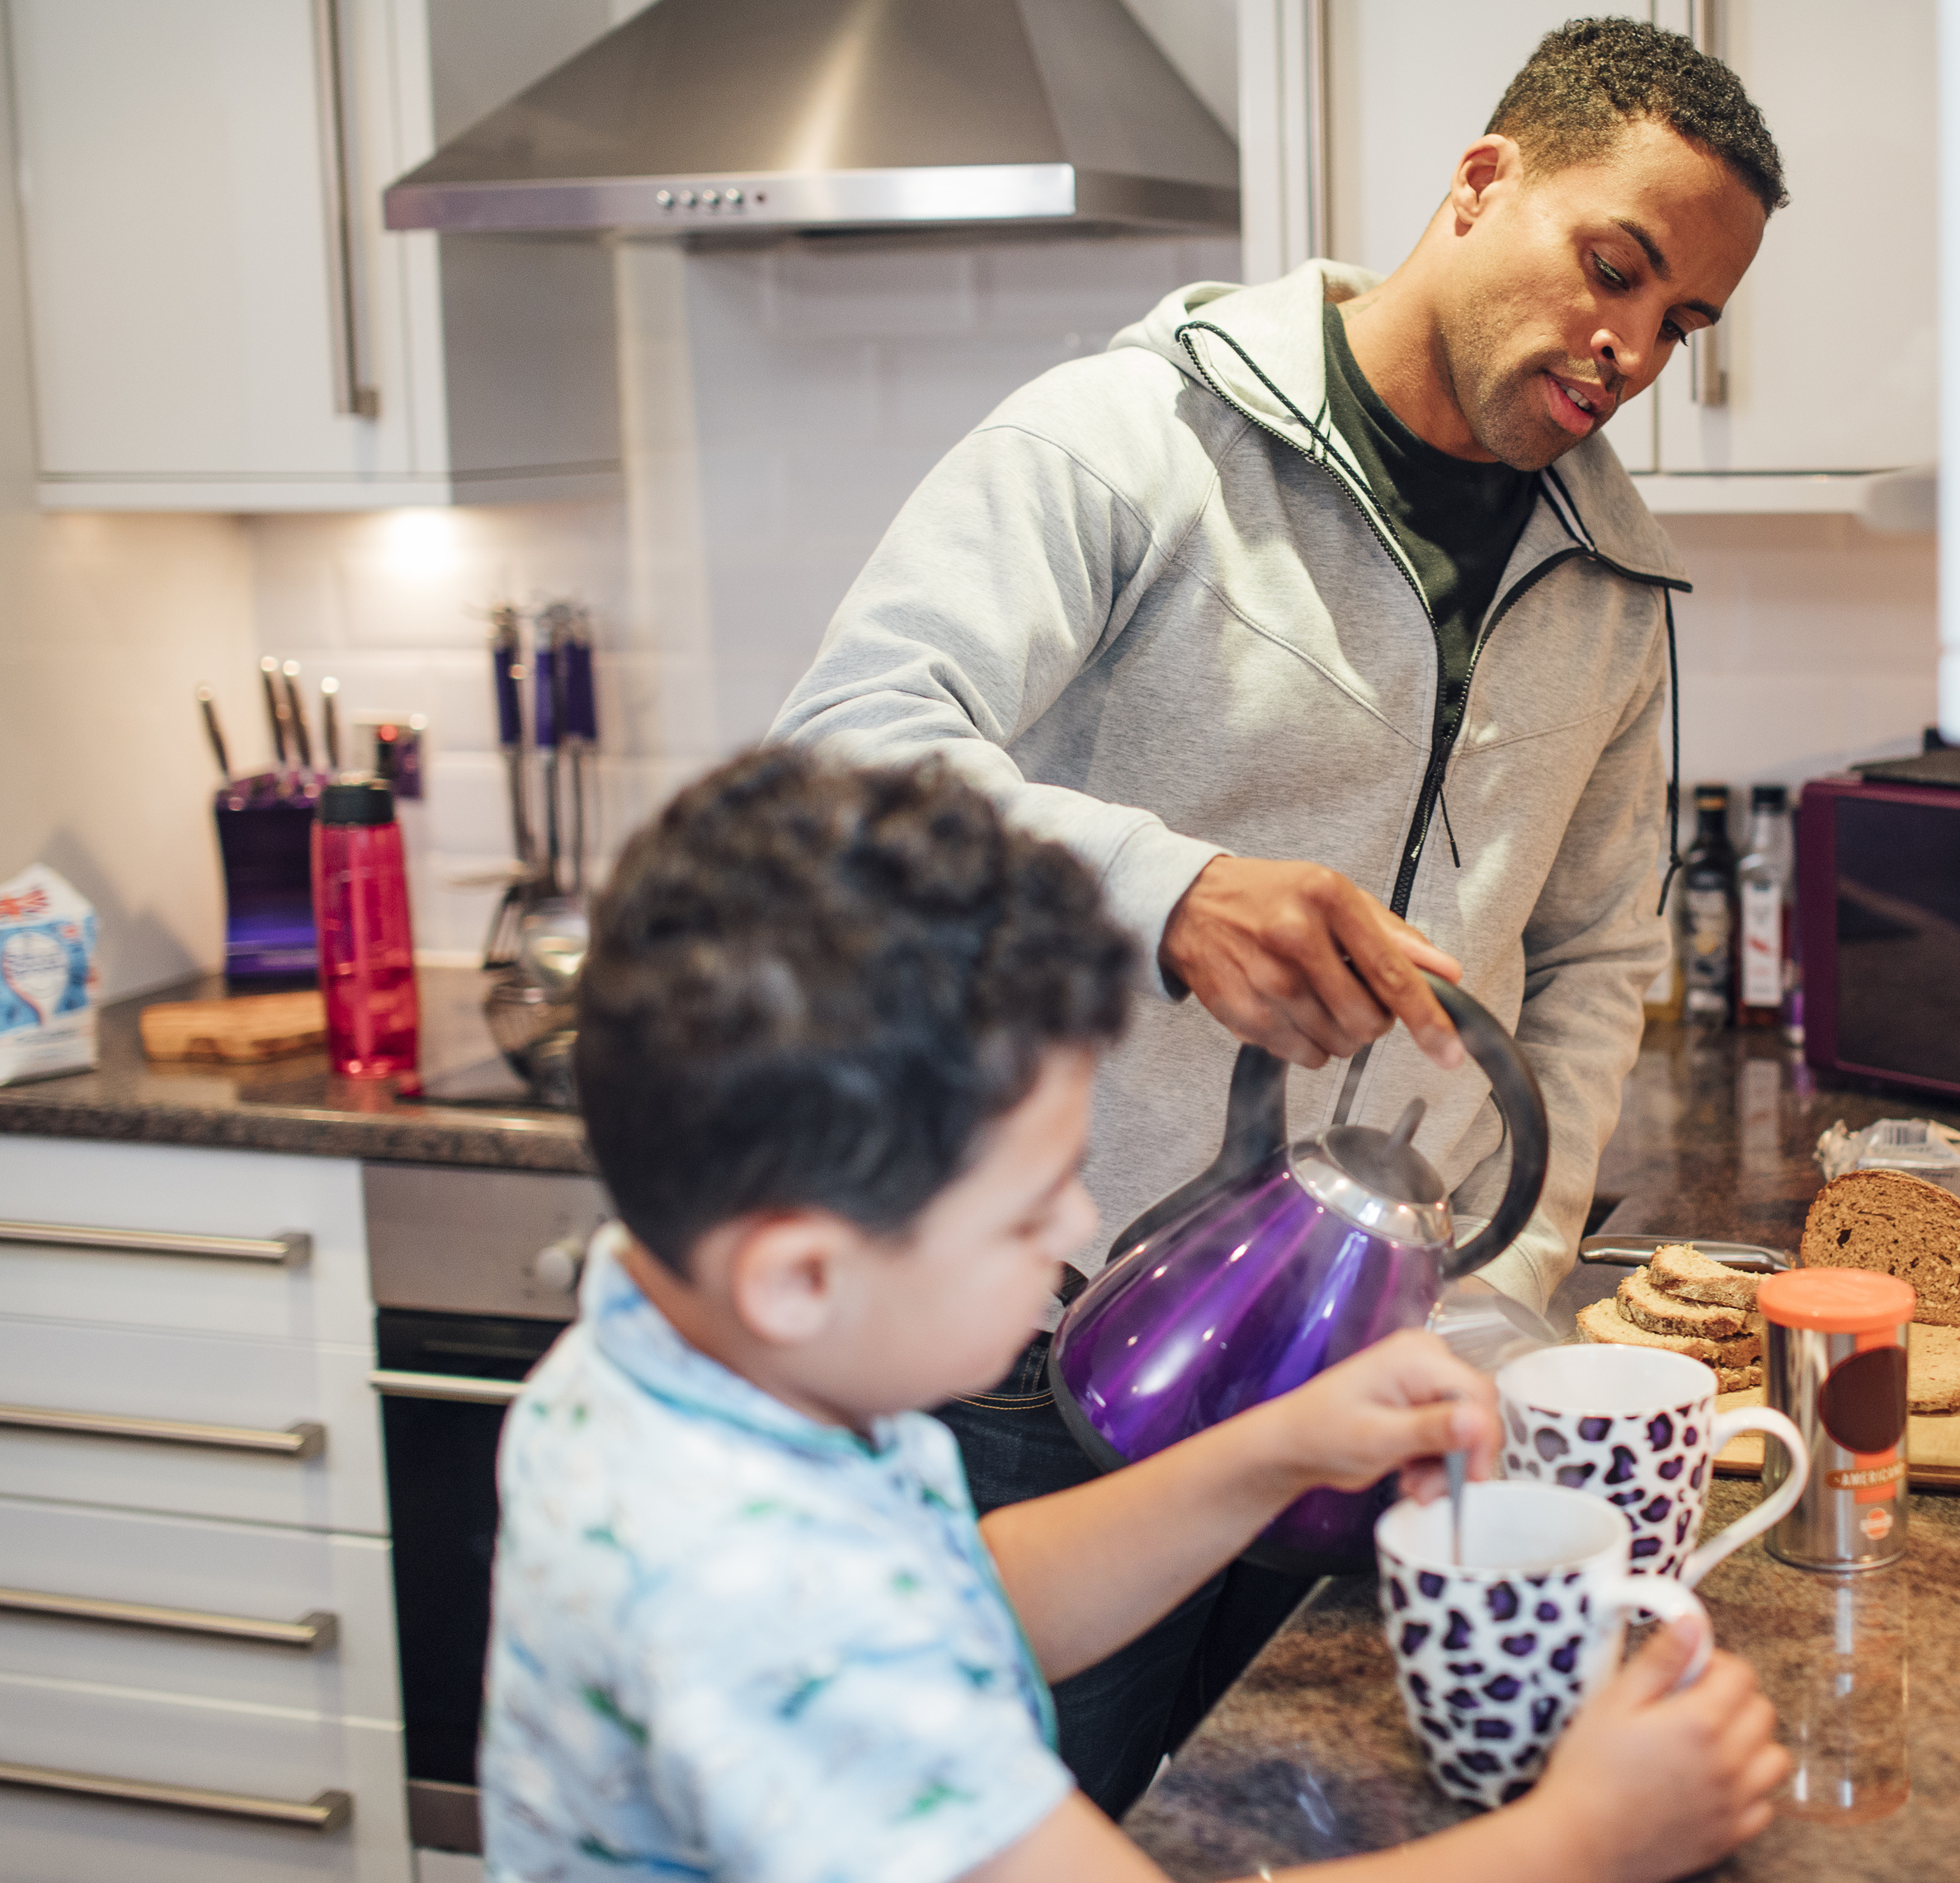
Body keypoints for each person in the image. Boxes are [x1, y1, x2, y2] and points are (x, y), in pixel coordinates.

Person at [770, 17, 1786, 1806]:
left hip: (1379, 1366)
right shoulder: (1128, 437)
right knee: (1041, 1829)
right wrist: (1161, 889)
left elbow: (1599, 957)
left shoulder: (1616, 588)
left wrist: (1506, 1287)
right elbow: (835, 760)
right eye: (1614, 269)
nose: (1632, 350)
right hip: (1045, 1350)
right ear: (1483, 183)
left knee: (1299, 1824)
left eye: (1682, 324)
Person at [483, 750, 1787, 1883]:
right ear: (798, 1275)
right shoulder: (762, 1600)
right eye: (1027, 1209)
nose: (1069, 1234)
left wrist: (1276, 1450)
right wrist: (1581, 1844)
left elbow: (957, 1594)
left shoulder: (667, 1369)